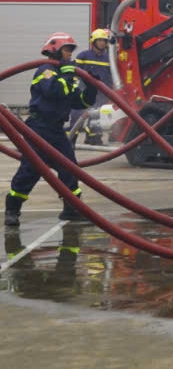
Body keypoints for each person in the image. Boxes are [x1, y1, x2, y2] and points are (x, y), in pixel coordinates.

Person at [6, 33, 97, 226]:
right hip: (38, 129)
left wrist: (91, 87)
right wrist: (70, 74)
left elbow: (80, 102)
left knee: (70, 168)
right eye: (66, 50)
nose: (69, 55)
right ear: (54, 50)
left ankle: (71, 209)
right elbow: (55, 91)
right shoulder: (45, 70)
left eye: (71, 51)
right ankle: (12, 210)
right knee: (30, 170)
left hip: (56, 130)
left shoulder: (65, 73)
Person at [70, 28, 113, 145]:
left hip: (100, 94)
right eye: (99, 40)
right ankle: (71, 139)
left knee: (96, 117)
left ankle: (93, 138)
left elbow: (110, 76)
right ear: (93, 42)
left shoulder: (108, 58)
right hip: (84, 92)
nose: (102, 43)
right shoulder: (83, 55)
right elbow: (75, 73)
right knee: (77, 115)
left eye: (104, 41)